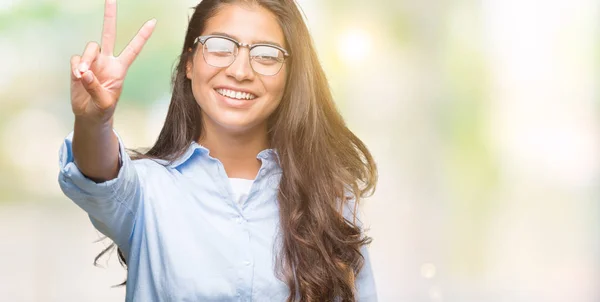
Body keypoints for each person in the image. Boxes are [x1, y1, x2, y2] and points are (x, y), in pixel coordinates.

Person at [58, 0, 378, 300]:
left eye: (266, 55)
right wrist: (95, 121)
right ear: (188, 64)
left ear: (291, 75)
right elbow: (99, 175)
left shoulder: (330, 198)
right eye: (220, 47)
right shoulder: (147, 191)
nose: (240, 71)